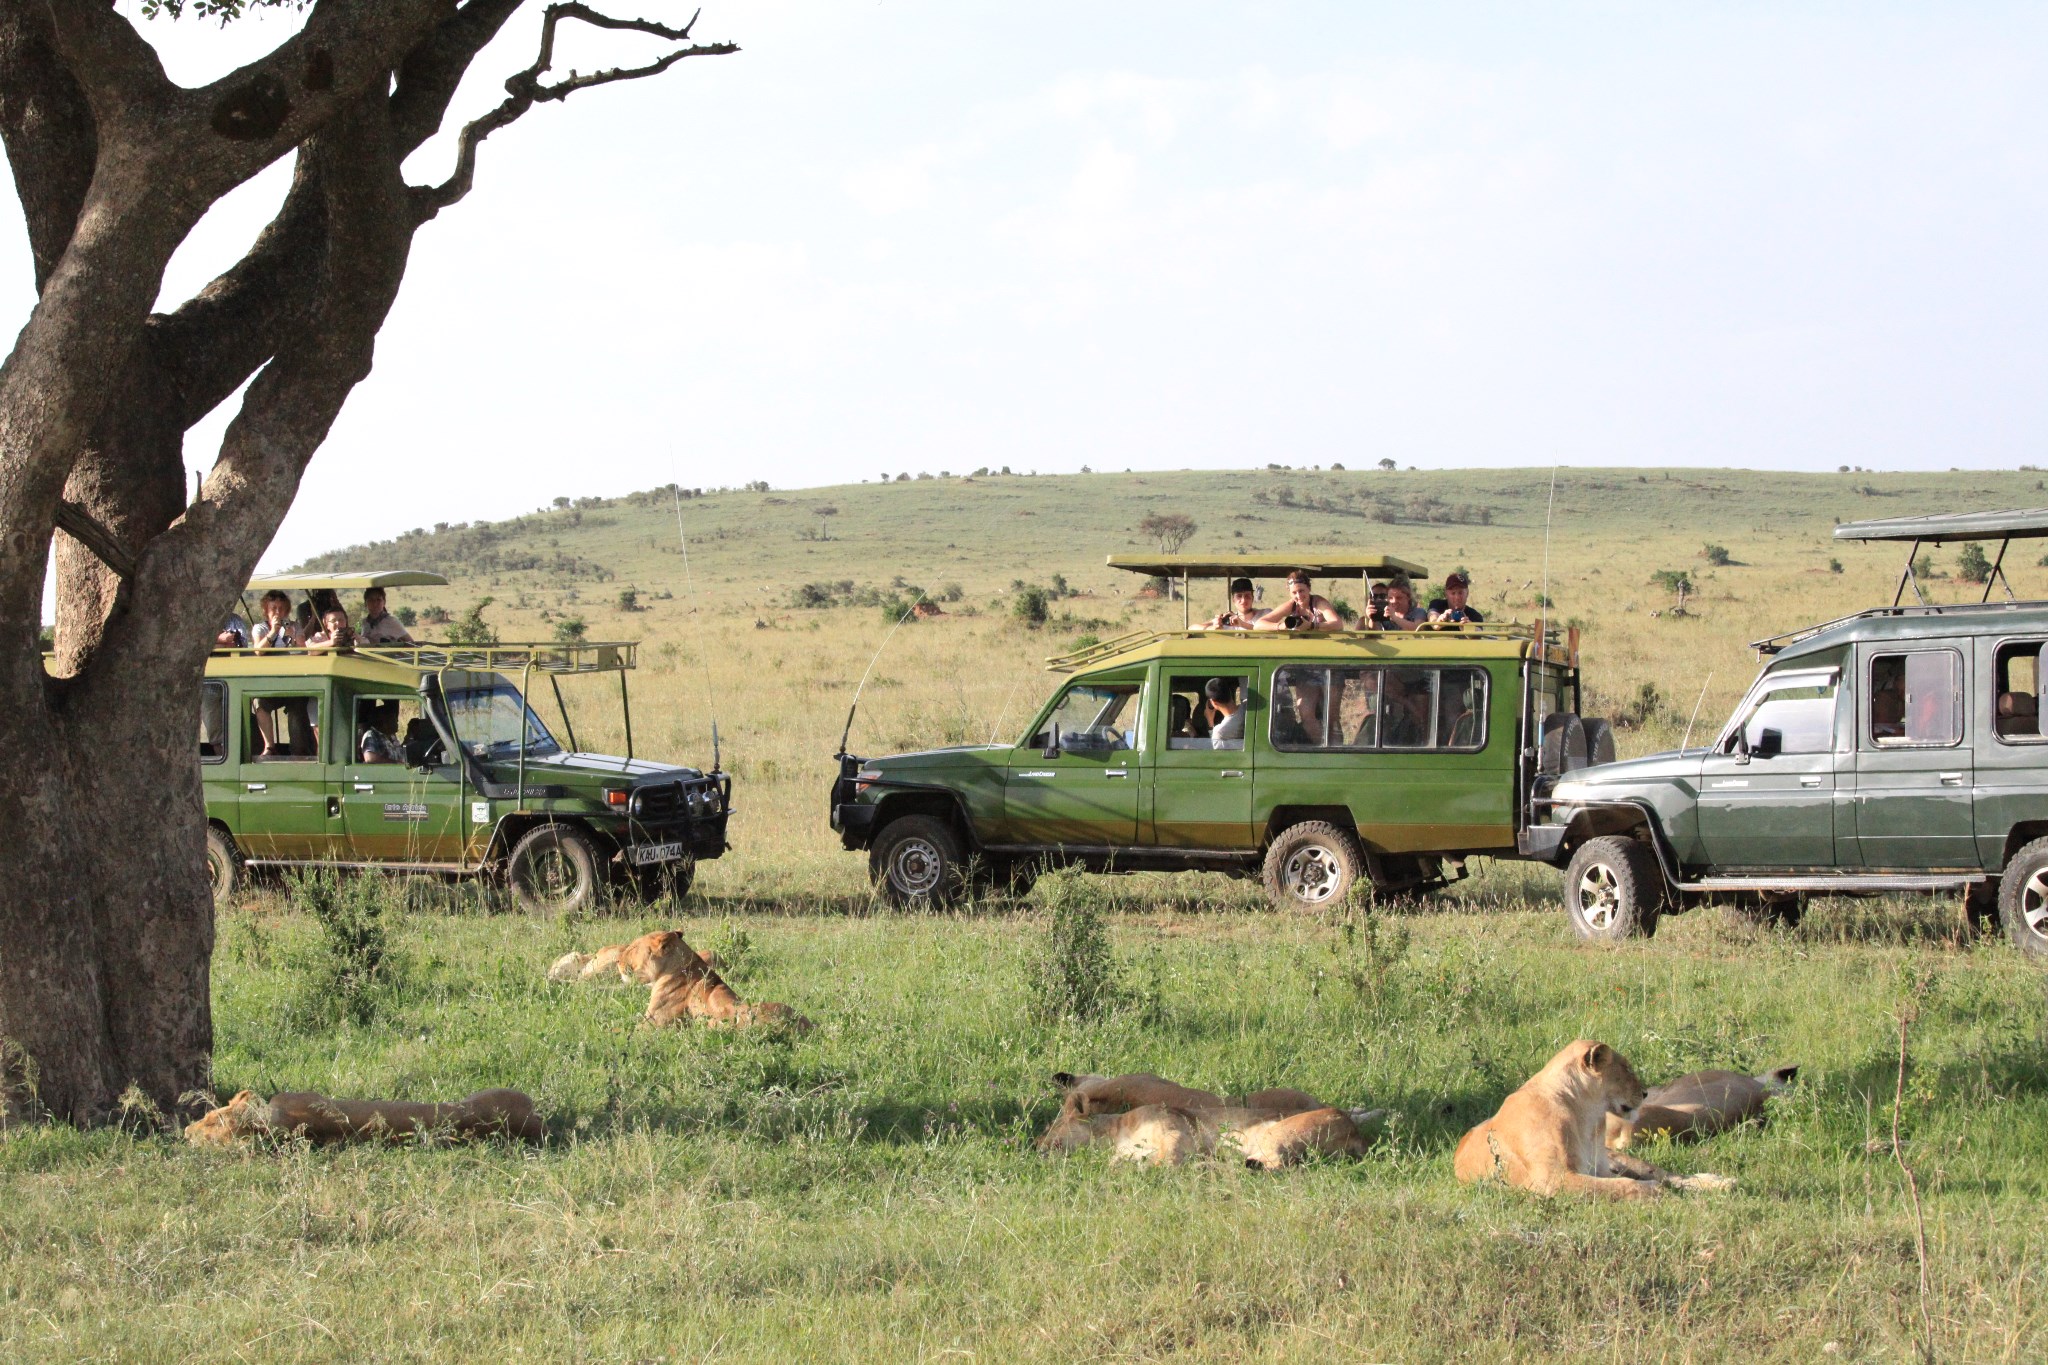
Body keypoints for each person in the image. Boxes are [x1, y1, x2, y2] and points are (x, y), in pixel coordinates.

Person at [1255, 570, 1343, 632]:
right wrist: (1282, 626)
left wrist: (1311, 626)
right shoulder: (1291, 605)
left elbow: (1338, 624)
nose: (1299, 596)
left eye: (1301, 591)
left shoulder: (1319, 603)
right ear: (1289, 592)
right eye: (1294, 592)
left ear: (1309, 589)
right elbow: (1258, 625)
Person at [1205, 677, 1246, 748]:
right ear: (1230, 692)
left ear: (1213, 702)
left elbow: (1217, 752)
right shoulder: (1247, 707)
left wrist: (1210, 722)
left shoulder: (1219, 732)